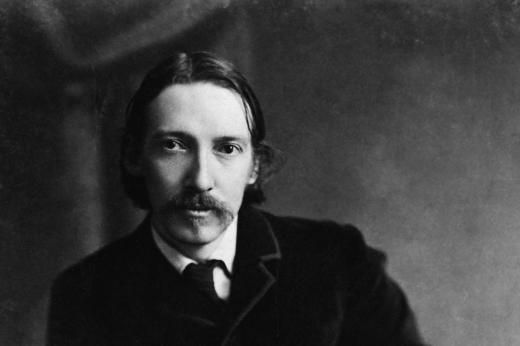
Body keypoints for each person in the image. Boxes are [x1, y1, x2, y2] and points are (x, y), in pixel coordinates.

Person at [47, 51, 426, 345]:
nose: (201, 180)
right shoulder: (85, 293)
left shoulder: (340, 261)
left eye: (227, 148)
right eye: (174, 146)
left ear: (255, 167)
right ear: (134, 157)